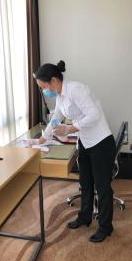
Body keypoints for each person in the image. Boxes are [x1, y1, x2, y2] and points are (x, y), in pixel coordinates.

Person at [32, 60, 116, 243]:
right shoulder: (60, 96)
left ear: (54, 81)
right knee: (85, 183)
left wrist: (70, 129)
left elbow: (94, 115)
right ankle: (84, 217)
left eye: (43, 86)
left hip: (101, 143)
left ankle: (105, 227)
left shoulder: (76, 89)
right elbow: (56, 118)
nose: (43, 90)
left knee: (102, 188)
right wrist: (41, 139)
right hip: (85, 143)